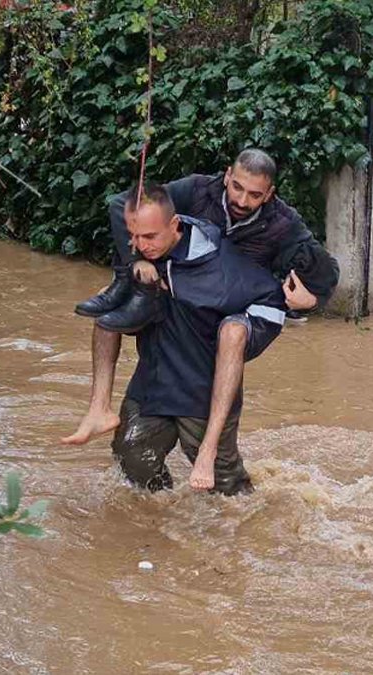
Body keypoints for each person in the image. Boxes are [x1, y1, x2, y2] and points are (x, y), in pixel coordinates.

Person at [62, 149, 338, 452]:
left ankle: (211, 457)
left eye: (255, 195)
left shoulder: (282, 223)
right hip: (178, 300)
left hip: (228, 316)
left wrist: (312, 299)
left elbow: (326, 270)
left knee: (229, 339)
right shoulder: (195, 189)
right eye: (237, 188)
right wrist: (135, 262)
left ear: (270, 194)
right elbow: (122, 206)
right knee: (110, 301)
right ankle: (99, 408)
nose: (242, 201)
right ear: (227, 176)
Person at [75, 182, 286, 494]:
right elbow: (112, 319)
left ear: (174, 225)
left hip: (201, 394)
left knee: (228, 494)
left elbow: (272, 302)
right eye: (134, 236)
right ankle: (162, 521)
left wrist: (295, 302)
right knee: (133, 461)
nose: (140, 245)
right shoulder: (138, 258)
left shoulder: (220, 266)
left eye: (149, 237)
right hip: (152, 386)